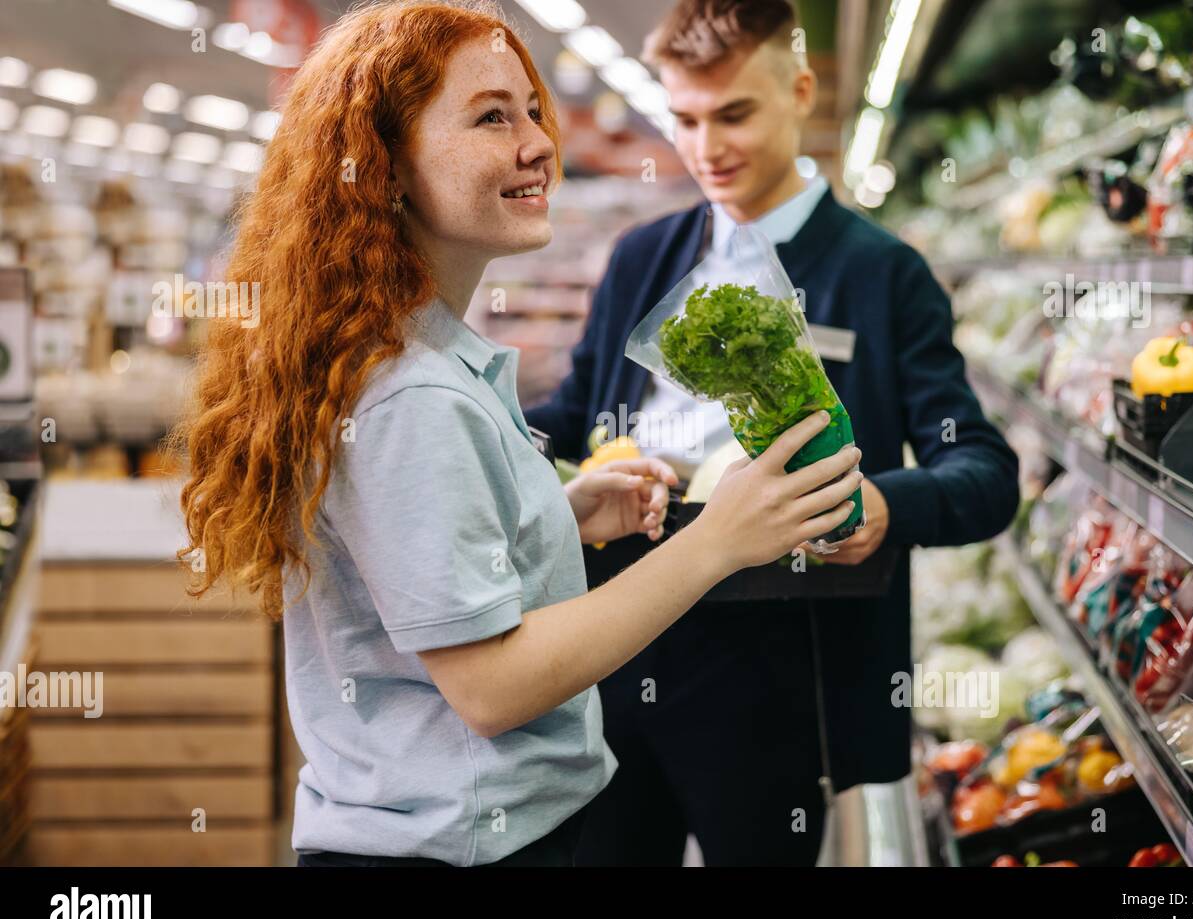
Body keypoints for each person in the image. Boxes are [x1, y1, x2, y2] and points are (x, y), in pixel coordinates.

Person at [174, 0, 862, 868]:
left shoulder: (423, 358)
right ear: (385, 166)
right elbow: (492, 686)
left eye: (532, 110)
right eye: (492, 116)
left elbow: (416, 569)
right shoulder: (408, 397)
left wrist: (555, 512)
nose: (539, 140)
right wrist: (717, 541)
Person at [525, 0, 1021, 866]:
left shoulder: (883, 274)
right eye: (684, 118)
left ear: (798, 91)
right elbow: (573, 417)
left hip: (784, 673)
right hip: (619, 643)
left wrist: (883, 506)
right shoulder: (643, 259)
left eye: (735, 113)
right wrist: (480, 439)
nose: (706, 146)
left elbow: (984, 470)